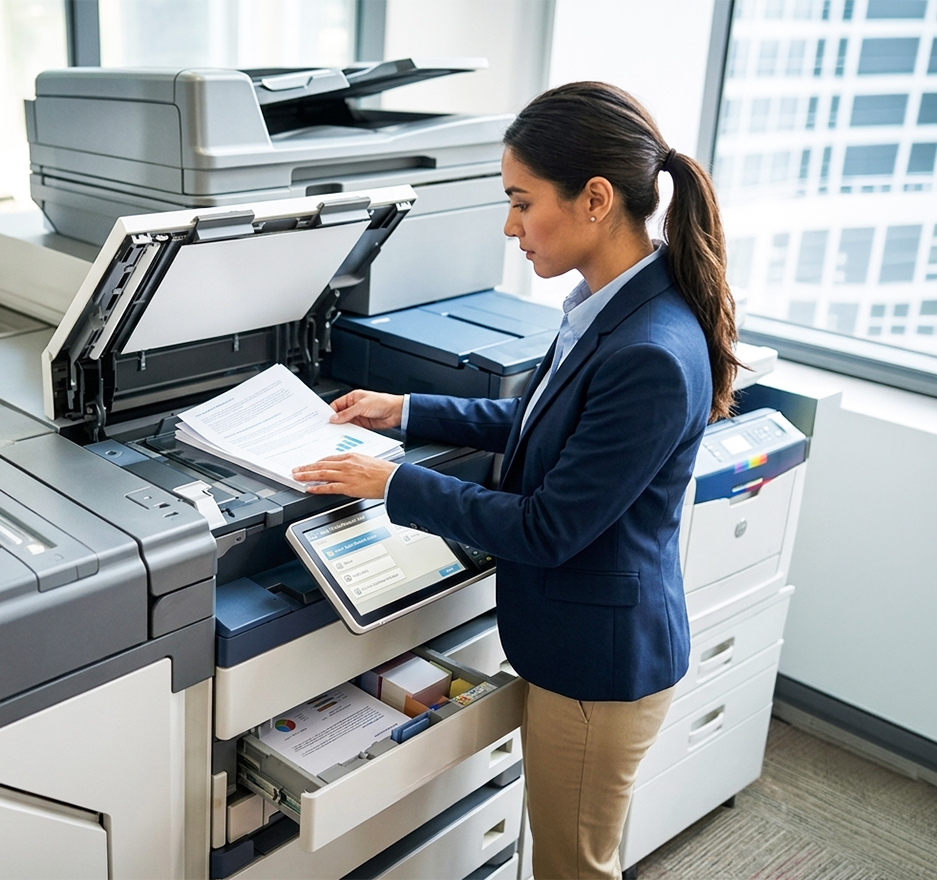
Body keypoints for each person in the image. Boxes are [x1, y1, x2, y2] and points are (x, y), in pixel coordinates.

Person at [289, 81, 740, 880]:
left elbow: (546, 526)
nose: (510, 226)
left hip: (600, 671)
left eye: (521, 202)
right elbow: (539, 426)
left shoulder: (650, 352)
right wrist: (407, 411)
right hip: (573, 648)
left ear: (595, 199)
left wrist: (385, 486)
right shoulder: (609, 303)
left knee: (571, 869)